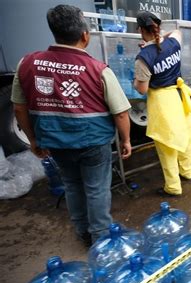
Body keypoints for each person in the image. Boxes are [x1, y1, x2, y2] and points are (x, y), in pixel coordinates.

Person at [11, 4, 132, 245]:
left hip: (55, 142)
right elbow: (120, 113)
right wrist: (126, 140)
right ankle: (101, 239)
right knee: (97, 189)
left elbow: (19, 107)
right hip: (94, 142)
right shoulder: (98, 69)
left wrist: (34, 140)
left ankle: (82, 232)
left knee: (72, 185)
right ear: (85, 36)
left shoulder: (27, 64)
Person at [134, 11, 191, 196]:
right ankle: (187, 172)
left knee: (167, 144)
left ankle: (173, 187)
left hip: (162, 101)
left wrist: (148, 47)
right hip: (179, 96)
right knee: (184, 136)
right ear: (158, 27)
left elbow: (142, 89)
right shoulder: (173, 42)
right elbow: (177, 31)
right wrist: (158, 39)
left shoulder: (144, 57)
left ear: (140, 29)